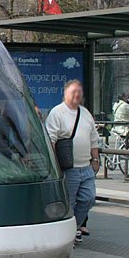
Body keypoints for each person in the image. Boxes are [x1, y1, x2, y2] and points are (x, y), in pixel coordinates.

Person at [45, 79, 101, 244]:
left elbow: (93, 138)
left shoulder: (85, 113)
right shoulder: (57, 113)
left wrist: (95, 158)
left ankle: (75, 226)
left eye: (79, 92)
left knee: (88, 198)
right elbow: (51, 140)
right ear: (65, 94)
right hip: (69, 168)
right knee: (69, 201)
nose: (77, 95)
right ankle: (68, 233)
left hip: (86, 166)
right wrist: (55, 165)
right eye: (73, 92)